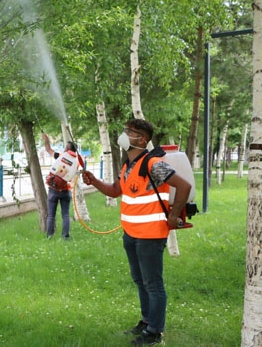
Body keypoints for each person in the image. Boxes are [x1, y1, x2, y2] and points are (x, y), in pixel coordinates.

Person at [81, 119, 191, 346]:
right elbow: (114, 191)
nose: (125, 134)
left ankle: (154, 332)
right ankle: (146, 320)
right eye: (125, 130)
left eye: (131, 132)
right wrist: (94, 181)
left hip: (150, 234)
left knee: (153, 283)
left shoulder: (152, 163)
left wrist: (173, 216)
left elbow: (184, 186)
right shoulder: (127, 165)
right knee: (140, 280)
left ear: (143, 139)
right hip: (131, 233)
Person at [42, 132, 84, 240]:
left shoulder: (60, 156)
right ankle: (65, 236)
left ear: (66, 149)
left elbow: (48, 149)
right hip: (66, 190)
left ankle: (49, 236)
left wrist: (46, 139)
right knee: (65, 215)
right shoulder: (77, 162)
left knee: (51, 215)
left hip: (53, 189)